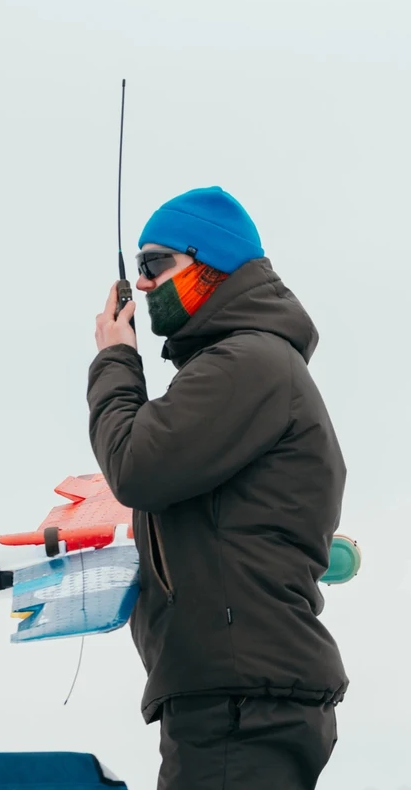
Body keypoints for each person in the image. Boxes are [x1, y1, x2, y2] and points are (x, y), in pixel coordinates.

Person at [87, 185, 349, 789]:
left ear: (210, 265)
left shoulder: (246, 364)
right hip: (238, 696)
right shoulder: (243, 367)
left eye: (156, 264)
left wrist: (115, 360)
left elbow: (135, 466)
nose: (144, 284)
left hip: (242, 704)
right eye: (139, 269)